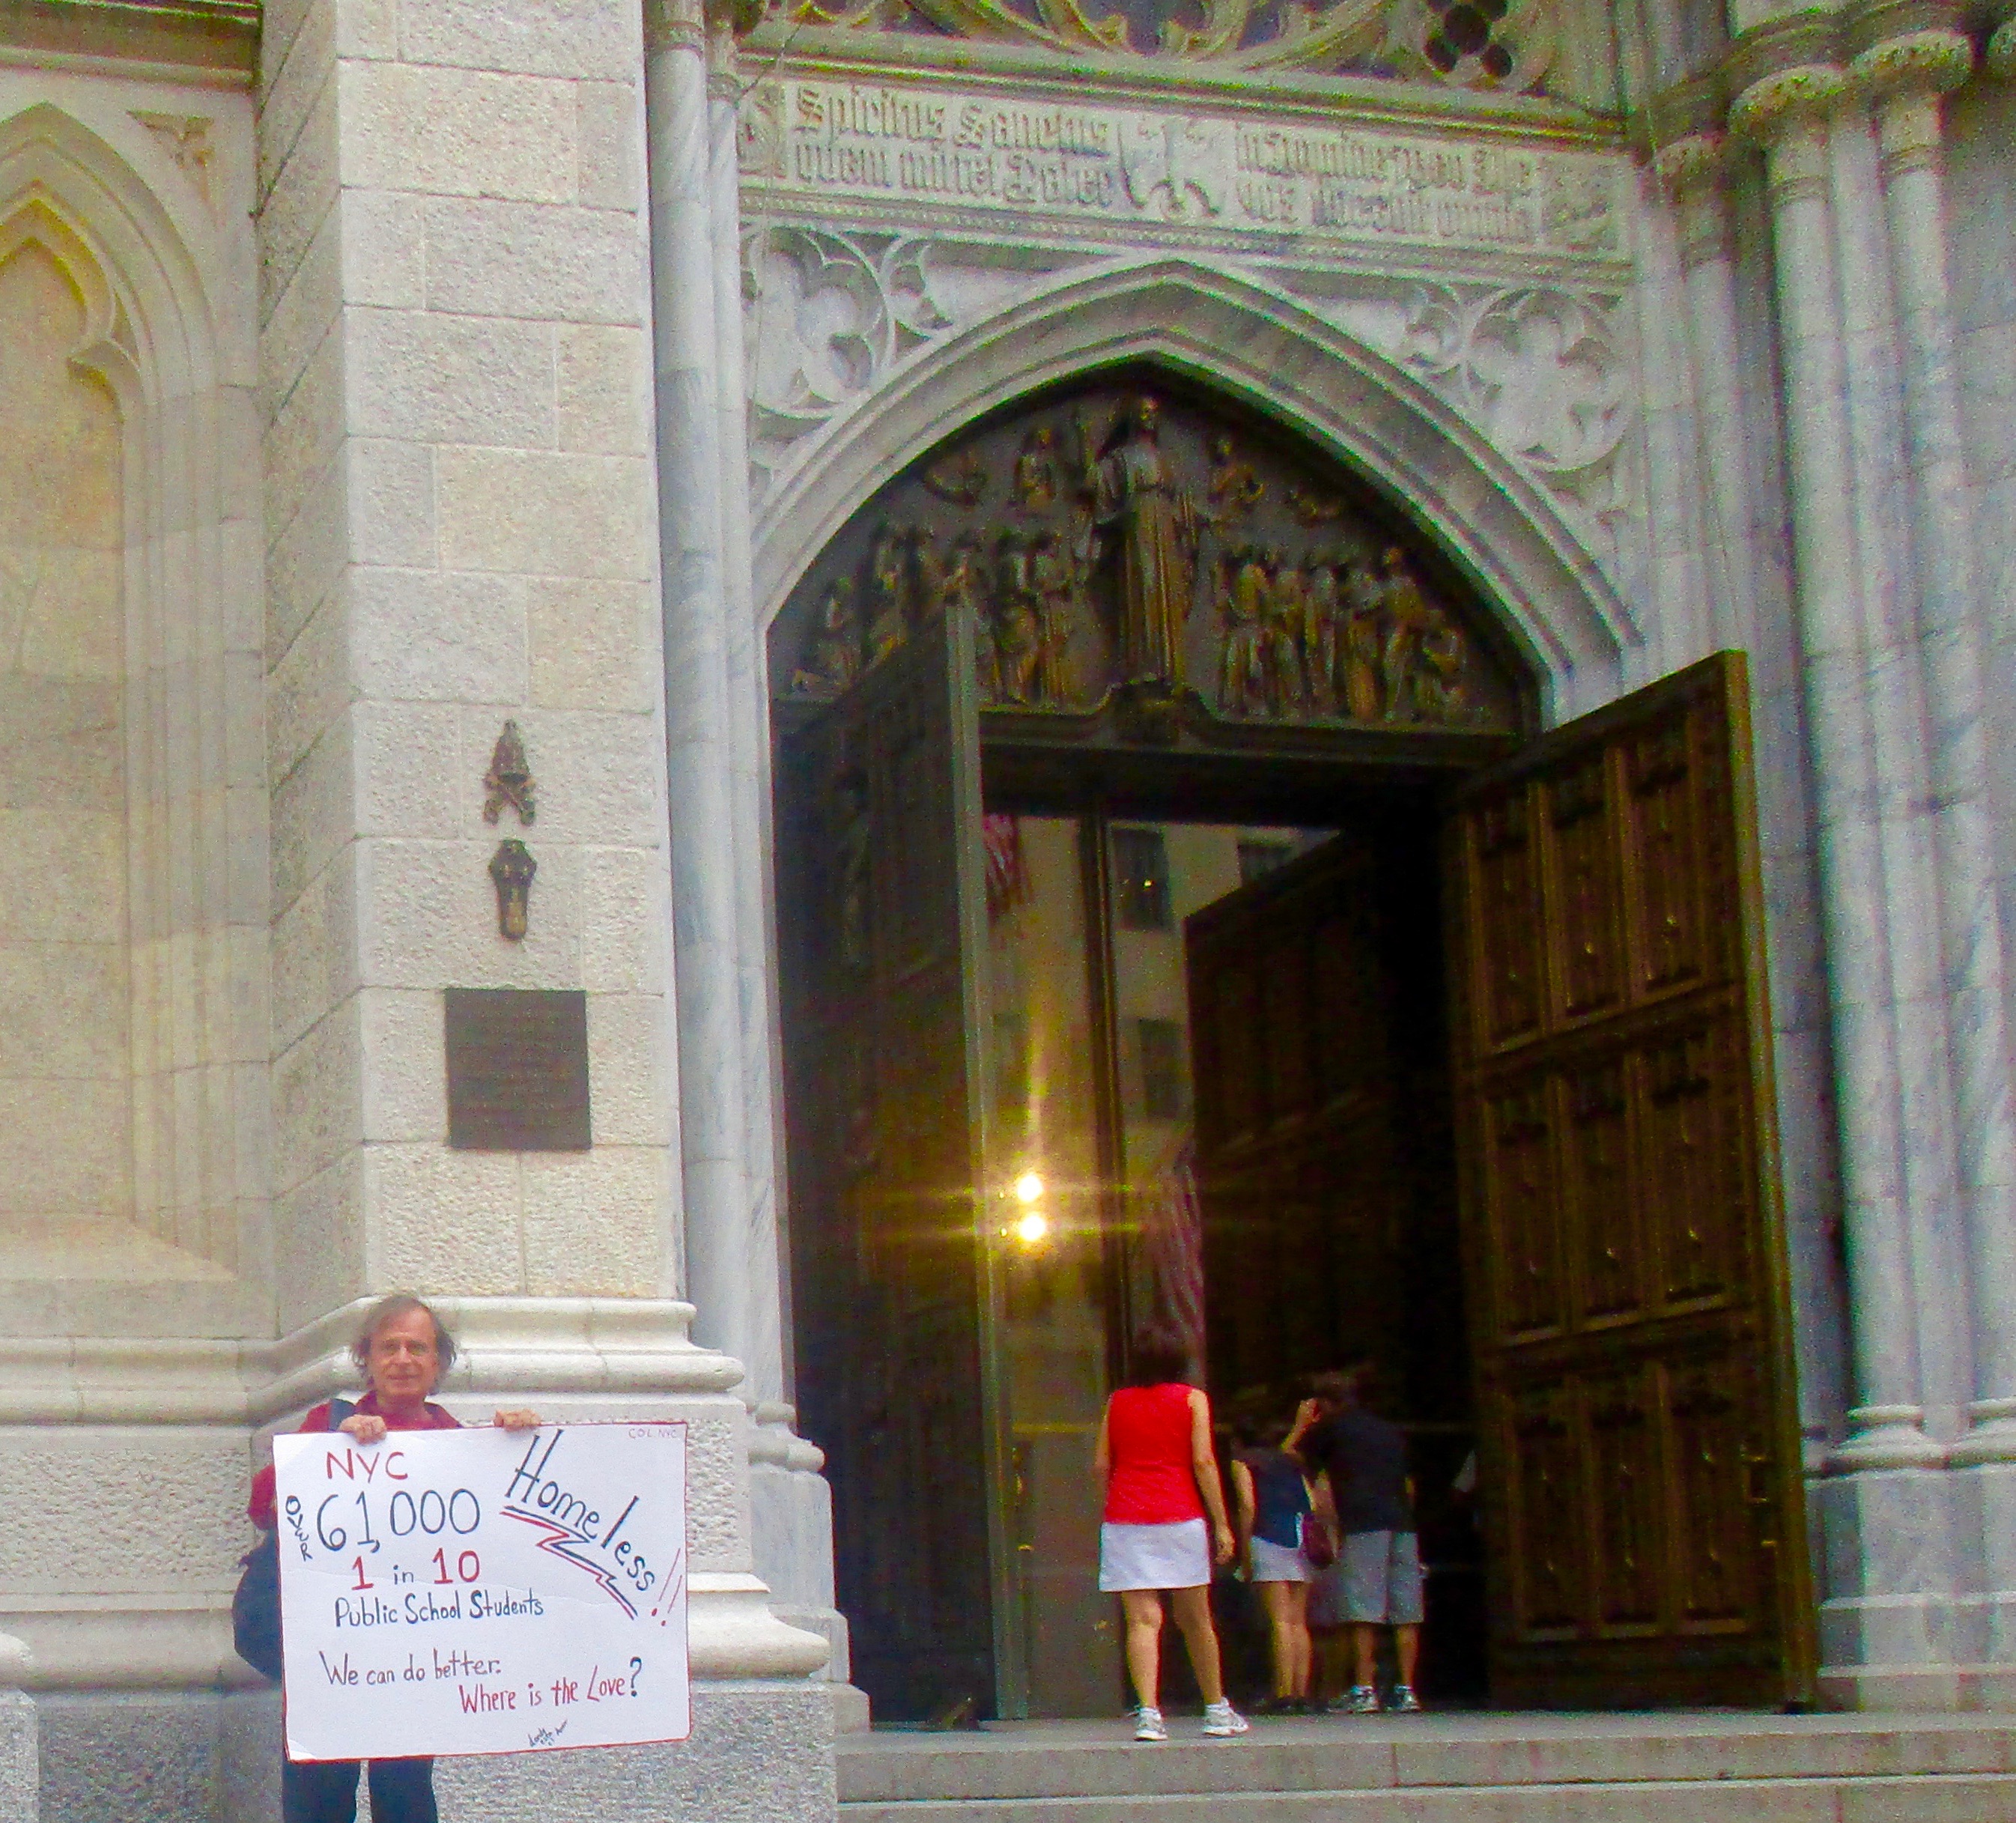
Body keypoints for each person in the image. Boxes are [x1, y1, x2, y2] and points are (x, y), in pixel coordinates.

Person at [247, 1295, 543, 1823]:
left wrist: (514, 1446)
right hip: (331, 1662)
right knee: (318, 1802)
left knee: (406, 1798)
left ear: (437, 1363)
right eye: (389, 1347)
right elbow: (263, 1507)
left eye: (417, 1348)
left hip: (415, 1667)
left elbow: (506, 1534)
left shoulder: (460, 1444)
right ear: (368, 1359)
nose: (403, 1359)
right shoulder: (328, 1423)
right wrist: (325, 1452)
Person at [1094, 1323, 1248, 1741]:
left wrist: (1116, 1500)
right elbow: (1203, 1461)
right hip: (1180, 1514)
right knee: (1196, 1619)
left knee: (1143, 1621)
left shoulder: (1117, 1402)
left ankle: (1149, 1713)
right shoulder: (1193, 1400)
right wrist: (1222, 1522)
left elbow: (1102, 1465)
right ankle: (1216, 1709)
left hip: (1126, 1518)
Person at [1288, 1366, 1424, 1714]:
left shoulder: (1331, 1428)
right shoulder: (1389, 1431)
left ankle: (1364, 1690)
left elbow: (1289, 1458)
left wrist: (1302, 1425)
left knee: (1362, 1610)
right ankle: (1406, 1690)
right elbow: (1410, 1484)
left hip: (1363, 1523)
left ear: (1324, 1403)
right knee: (1406, 1611)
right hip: (1403, 1524)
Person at [1230, 1409, 1317, 1714]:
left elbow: (1247, 1505)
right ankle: (1301, 1693)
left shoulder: (1243, 1463)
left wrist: (1245, 1552)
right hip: (1301, 1540)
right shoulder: (1293, 1462)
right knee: (1298, 1621)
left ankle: (1282, 1694)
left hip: (1268, 1537)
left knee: (1279, 1621)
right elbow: (1313, 1503)